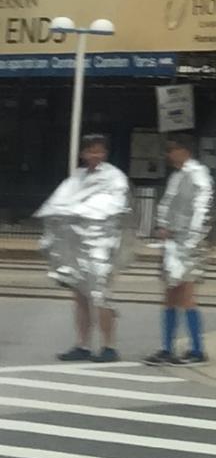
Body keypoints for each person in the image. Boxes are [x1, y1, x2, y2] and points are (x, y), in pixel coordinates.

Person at [38, 133, 130, 362]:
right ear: (83, 153)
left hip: (102, 246)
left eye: (99, 150)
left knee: (101, 295)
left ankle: (109, 346)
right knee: (80, 296)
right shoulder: (76, 178)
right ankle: (83, 344)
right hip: (77, 246)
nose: (94, 155)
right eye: (90, 150)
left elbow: (114, 208)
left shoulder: (114, 178)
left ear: (105, 153)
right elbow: (57, 205)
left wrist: (78, 211)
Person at [148, 132, 214, 365]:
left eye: (172, 149)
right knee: (170, 294)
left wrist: (192, 239)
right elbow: (168, 205)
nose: (169, 154)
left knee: (186, 294)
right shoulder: (177, 176)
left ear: (185, 150)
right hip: (173, 242)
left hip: (188, 242)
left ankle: (197, 349)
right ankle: (167, 347)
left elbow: (202, 209)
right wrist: (162, 227)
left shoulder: (198, 174)